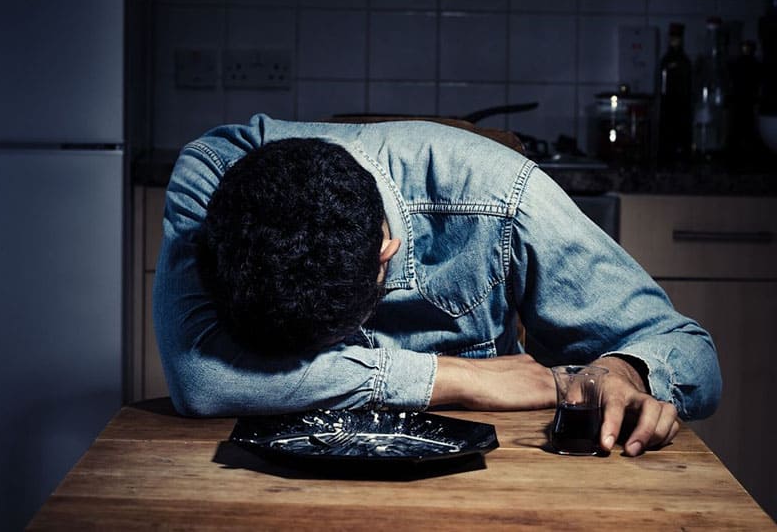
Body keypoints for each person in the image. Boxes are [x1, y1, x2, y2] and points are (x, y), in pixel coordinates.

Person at [154, 114, 721, 457]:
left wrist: (627, 370)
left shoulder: (505, 196)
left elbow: (690, 351)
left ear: (386, 249)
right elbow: (201, 378)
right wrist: (458, 378)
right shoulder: (210, 174)